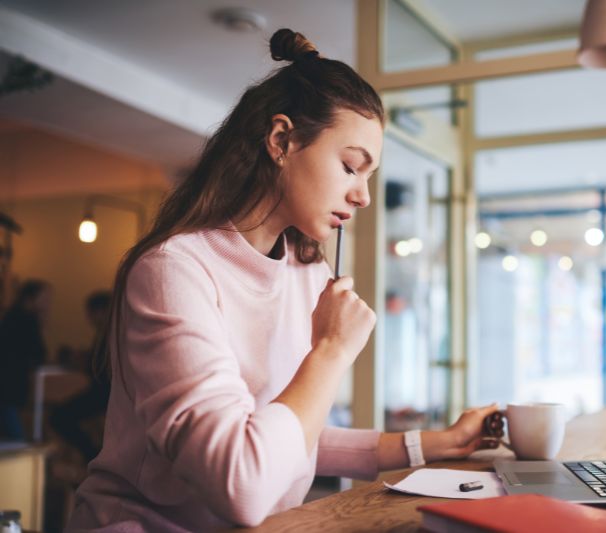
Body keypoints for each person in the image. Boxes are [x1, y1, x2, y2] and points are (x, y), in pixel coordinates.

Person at [68, 29, 499, 532]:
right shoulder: (173, 271)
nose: (362, 196)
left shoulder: (305, 272)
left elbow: (289, 434)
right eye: (350, 167)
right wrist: (331, 351)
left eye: (369, 177)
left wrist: (436, 443)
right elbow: (242, 483)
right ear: (281, 140)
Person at [50, 291, 112, 464]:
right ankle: (92, 454)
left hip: (104, 394)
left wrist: (82, 361)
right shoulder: (109, 333)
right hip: (105, 393)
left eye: (91, 313)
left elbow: (99, 370)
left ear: (101, 311)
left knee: (58, 417)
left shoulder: (108, 334)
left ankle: (91, 454)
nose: (89, 318)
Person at [0, 279, 51, 440]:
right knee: (15, 433)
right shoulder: (26, 320)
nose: (48, 302)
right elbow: (39, 353)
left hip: (9, 382)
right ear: (31, 298)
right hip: (10, 382)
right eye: (44, 298)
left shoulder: (14, 316)